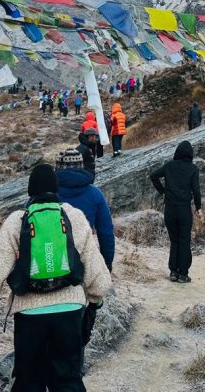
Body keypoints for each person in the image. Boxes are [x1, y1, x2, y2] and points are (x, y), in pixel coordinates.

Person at [0, 164, 112, 390]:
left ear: (30, 191)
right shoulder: (74, 217)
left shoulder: (17, 221)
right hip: (70, 313)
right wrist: (96, 300)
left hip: (29, 316)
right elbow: (95, 270)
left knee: (29, 381)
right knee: (68, 379)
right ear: (56, 189)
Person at [56, 147, 115, 347]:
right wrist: (106, 266)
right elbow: (107, 234)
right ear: (81, 166)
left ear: (58, 167)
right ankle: (76, 364)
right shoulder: (94, 194)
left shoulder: (48, 193)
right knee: (79, 318)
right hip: (83, 264)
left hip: (48, 262)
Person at [150, 141, 202, 282]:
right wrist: (198, 207)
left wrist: (163, 191)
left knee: (174, 241)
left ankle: (173, 271)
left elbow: (153, 176)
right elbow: (196, 191)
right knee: (184, 240)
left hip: (170, 209)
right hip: (184, 209)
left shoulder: (169, 166)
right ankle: (183, 274)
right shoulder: (193, 169)